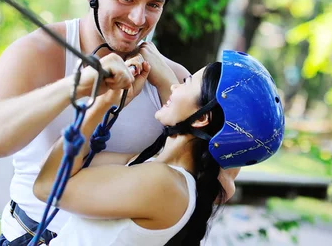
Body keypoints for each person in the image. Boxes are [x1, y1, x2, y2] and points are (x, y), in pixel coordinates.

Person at [0, 0, 216, 245]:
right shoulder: (42, 51)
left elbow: (215, 179)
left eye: (154, 5)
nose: (139, 19)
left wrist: (165, 78)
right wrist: (79, 85)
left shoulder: (175, 79)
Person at [33, 50, 285, 246]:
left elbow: (47, 187)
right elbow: (63, 165)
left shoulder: (163, 184)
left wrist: (102, 101)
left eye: (186, 82)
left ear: (202, 118)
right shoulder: (154, 167)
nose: (174, 86)